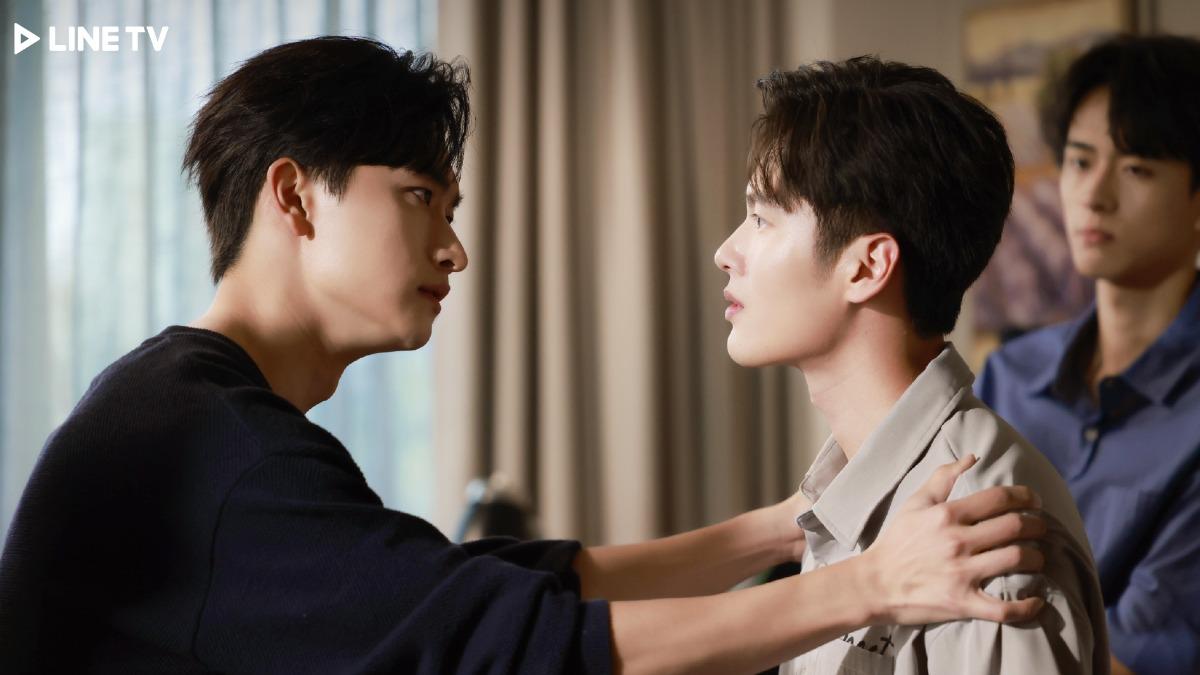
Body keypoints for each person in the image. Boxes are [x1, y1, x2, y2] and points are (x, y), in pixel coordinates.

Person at [0, 37, 1047, 674]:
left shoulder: (184, 408)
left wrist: (783, 527)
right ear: (294, 197)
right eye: (421, 199)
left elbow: (474, 588)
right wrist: (867, 584)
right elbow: (499, 639)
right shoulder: (218, 454)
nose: (453, 249)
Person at [715, 56, 1109, 674]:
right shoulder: (843, 492)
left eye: (761, 218)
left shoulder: (981, 524)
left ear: (868, 266)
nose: (726, 252)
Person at [976, 34, 1200, 675]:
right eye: (1079, 161)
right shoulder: (1007, 377)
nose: (1094, 195)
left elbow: (1134, 658)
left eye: (1136, 169)